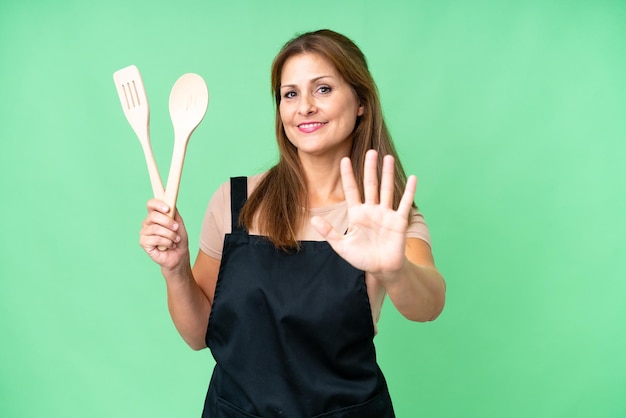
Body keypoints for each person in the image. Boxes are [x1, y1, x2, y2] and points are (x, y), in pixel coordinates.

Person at [140, 29, 446, 418]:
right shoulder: (236, 202)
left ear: (361, 103)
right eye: (290, 94)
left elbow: (429, 305)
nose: (304, 107)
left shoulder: (384, 214)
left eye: (322, 89)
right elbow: (198, 335)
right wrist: (176, 270)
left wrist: (395, 269)